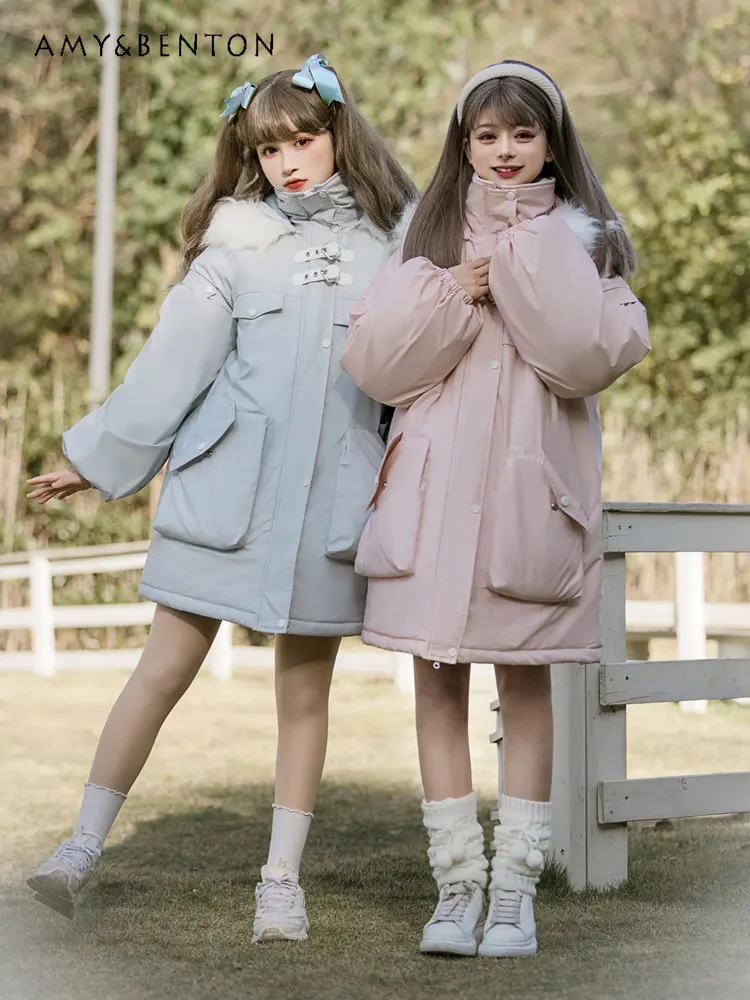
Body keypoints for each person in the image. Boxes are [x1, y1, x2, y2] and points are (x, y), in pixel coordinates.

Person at [25, 54, 417, 942]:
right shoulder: (235, 243)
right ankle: (79, 848)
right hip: (223, 494)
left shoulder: (394, 250)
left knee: (305, 692)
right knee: (161, 669)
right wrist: (98, 456)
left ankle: (281, 882)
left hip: (329, 506)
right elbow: (173, 365)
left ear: (338, 134)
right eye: (268, 149)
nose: (287, 162)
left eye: (302, 141)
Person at [340, 59, 650, 958]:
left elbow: (581, 357)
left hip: (528, 501)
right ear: (463, 144)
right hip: (434, 498)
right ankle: (457, 886)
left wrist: (523, 261)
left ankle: (515, 890)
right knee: (435, 679)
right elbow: (377, 364)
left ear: (552, 141)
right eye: (486, 135)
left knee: (525, 680)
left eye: (523, 132)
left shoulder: (585, 244)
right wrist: (455, 286)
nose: (505, 150)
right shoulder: (426, 235)